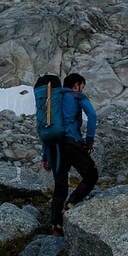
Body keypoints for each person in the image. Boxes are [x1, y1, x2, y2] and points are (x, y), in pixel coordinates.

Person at [40, 72, 98, 234]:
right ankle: (71, 204)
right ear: (77, 84)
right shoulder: (76, 95)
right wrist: (90, 140)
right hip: (70, 142)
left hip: (53, 146)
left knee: (60, 186)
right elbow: (92, 115)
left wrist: (45, 157)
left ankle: (56, 226)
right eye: (82, 86)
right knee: (91, 175)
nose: (81, 89)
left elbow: (47, 128)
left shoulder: (53, 101)